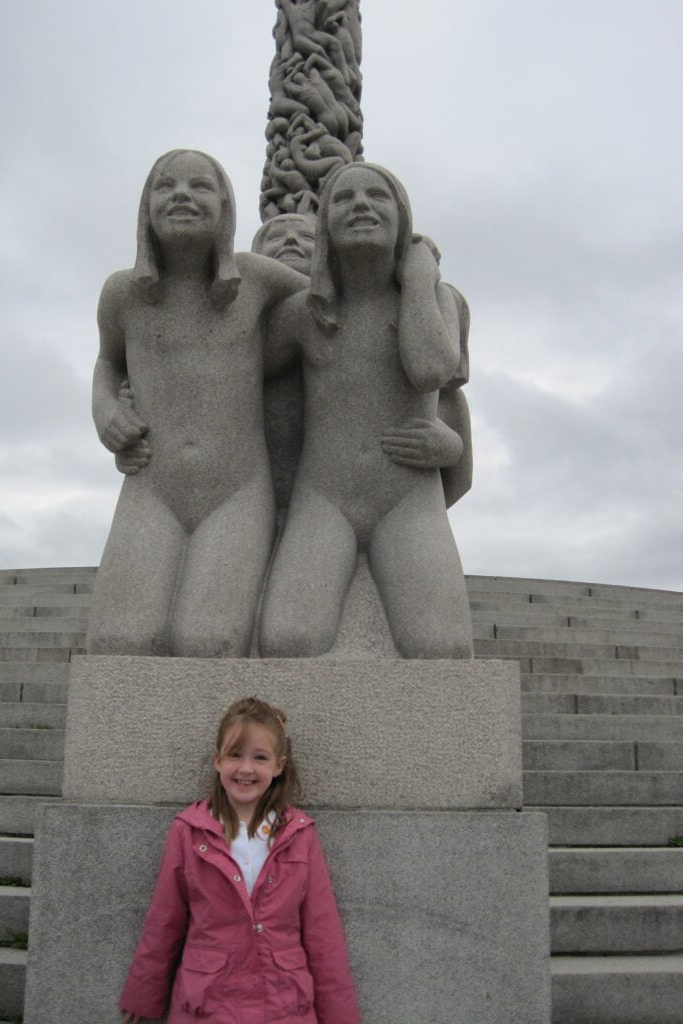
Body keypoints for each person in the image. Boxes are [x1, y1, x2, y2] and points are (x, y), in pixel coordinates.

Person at [86, 150, 306, 657]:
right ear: (146, 209)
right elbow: (108, 363)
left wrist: (417, 266)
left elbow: (335, 298)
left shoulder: (256, 279)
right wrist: (106, 413)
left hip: (236, 493)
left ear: (226, 207)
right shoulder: (122, 294)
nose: (181, 195)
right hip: (151, 489)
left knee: (207, 641)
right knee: (118, 641)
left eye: (199, 186)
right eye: (166, 186)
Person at [259, 161, 474, 659]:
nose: (360, 206)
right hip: (323, 498)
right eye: (344, 198)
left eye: (377, 197)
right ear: (326, 227)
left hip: (406, 500)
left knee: (441, 646)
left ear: (402, 218)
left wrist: (420, 280)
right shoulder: (305, 313)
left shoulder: (436, 299)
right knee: (289, 638)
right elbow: (230, 370)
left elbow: (430, 372)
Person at [119, 697, 360, 1024]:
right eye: (235, 755)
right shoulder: (189, 832)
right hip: (207, 1005)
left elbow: (323, 931)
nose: (245, 769)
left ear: (278, 766)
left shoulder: (299, 836)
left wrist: (340, 1015)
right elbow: (165, 919)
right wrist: (143, 992)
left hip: (283, 1006)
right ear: (218, 761)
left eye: (259, 758)